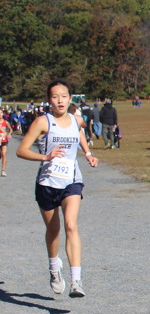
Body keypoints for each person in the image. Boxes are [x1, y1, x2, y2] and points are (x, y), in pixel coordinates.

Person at [16, 81, 98, 297]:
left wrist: (88, 153)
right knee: (53, 230)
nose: (60, 100)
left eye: (64, 96)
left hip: (71, 181)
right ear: (49, 100)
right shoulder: (43, 122)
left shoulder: (76, 119)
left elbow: (79, 132)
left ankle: (76, 281)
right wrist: (46, 156)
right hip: (47, 182)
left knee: (71, 225)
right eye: (55, 96)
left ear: (70, 98)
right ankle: (54, 268)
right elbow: (21, 150)